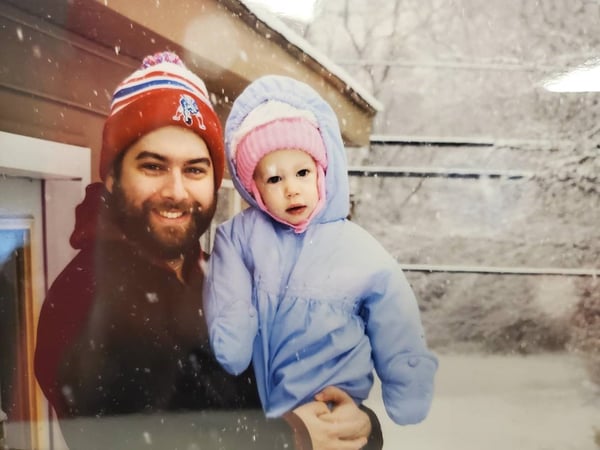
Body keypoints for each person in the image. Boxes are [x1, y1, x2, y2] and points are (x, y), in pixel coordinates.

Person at [34, 51, 383, 450]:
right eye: (153, 166)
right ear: (112, 176)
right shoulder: (83, 297)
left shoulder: (217, 275)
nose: (177, 192)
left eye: (195, 169)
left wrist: (354, 423)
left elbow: (285, 377)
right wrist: (293, 437)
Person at [203, 75, 438, 425]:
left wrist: (407, 380)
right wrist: (231, 335)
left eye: (301, 172)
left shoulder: (355, 247)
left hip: (333, 405)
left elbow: (395, 315)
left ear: (322, 171)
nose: (292, 190)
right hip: (268, 416)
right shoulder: (240, 236)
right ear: (254, 188)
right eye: (274, 179)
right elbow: (228, 292)